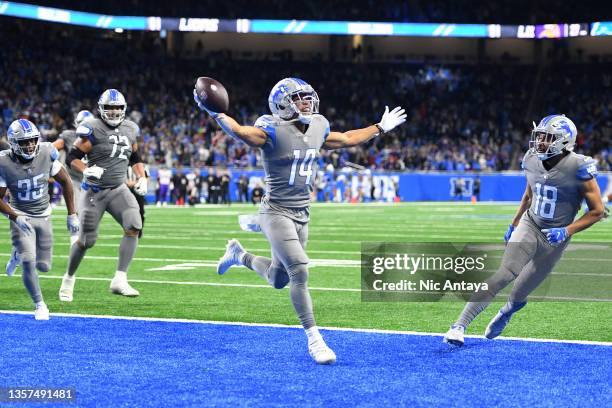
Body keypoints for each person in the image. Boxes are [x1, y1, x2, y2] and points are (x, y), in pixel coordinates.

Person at [194, 77, 406, 364]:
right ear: (281, 103)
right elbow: (241, 132)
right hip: (276, 211)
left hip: (302, 214)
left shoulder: (318, 126)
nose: (307, 102)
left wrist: (379, 127)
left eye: (308, 97)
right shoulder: (270, 128)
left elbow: (347, 139)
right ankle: (315, 340)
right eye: (299, 98)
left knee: (278, 278)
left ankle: (238, 255)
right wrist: (216, 113)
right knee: (300, 271)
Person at [444, 114, 605, 346]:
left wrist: (567, 230)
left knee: (519, 293)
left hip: (556, 237)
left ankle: (508, 311)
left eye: (547, 138)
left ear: (563, 140)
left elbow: (598, 211)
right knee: (504, 274)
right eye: (539, 136)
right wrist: (514, 223)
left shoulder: (578, 166)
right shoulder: (531, 158)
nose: (539, 142)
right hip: (531, 224)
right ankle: (459, 326)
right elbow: (529, 194)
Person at [59, 89, 148, 302]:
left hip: (118, 188)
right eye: (110, 107)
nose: (114, 112)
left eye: (118, 108)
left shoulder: (130, 129)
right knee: (86, 241)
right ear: (101, 109)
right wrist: (85, 170)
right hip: (94, 192)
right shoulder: (93, 129)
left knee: (134, 224)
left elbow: (135, 157)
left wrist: (142, 176)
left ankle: (120, 279)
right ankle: (69, 278)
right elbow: (72, 157)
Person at [0, 119, 78, 319]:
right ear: (14, 143)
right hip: (21, 214)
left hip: (44, 214)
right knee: (29, 260)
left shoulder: (46, 152)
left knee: (44, 265)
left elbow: (66, 182)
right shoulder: (4, 163)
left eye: (32, 140)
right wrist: (15, 217)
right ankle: (40, 305)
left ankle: (17, 253)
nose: (30, 145)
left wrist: (72, 214)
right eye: (24, 142)